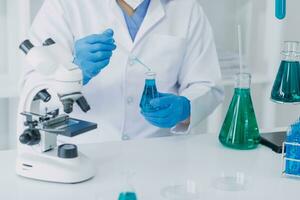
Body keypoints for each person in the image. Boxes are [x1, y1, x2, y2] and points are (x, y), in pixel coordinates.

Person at [21, 0, 224, 142]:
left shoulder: (186, 8)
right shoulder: (65, 5)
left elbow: (207, 84)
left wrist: (186, 108)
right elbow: (32, 84)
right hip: (86, 151)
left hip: (159, 154)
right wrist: (75, 71)